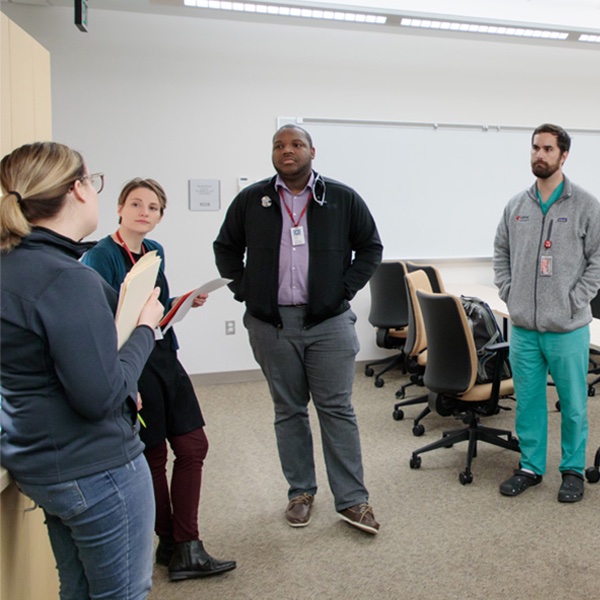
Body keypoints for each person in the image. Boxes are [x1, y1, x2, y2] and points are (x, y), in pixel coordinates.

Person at [0, 142, 165, 599]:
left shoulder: (13, 266)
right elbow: (100, 396)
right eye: (92, 181)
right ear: (77, 190)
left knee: (77, 590)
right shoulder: (65, 278)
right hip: (95, 468)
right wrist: (145, 331)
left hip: (39, 462)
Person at [214, 124, 383, 534]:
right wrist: (246, 290)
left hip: (328, 323)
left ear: (311, 151)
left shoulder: (340, 197)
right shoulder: (253, 199)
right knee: (288, 409)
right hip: (271, 324)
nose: (286, 151)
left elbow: (371, 248)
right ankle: (300, 493)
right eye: (279, 145)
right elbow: (226, 249)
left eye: (295, 145)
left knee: (336, 409)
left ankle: (353, 500)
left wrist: (341, 289)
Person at [81, 178, 236, 580]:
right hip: (132, 361)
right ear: (119, 207)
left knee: (192, 445)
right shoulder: (100, 256)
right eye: (136, 204)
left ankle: (180, 544)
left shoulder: (154, 251)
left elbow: (155, 308)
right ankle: (176, 545)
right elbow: (104, 320)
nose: (144, 212)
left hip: (163, 352)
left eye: (153, 207)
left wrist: (182, 300)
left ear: (161, 216)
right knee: (153, 454)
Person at [493, 123, 600, 502]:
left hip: (567, 328)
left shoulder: (586, 205)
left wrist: (575, 300)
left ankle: (571, 470)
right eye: (535, 148)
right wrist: (509, 292)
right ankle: (530, 467)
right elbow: (501, 253)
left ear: (563, 155)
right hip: (523, 327)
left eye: (548, 149)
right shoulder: (516, 206)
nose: (539, 155)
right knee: (529, 403)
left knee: (572, 406)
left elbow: (598, 261)